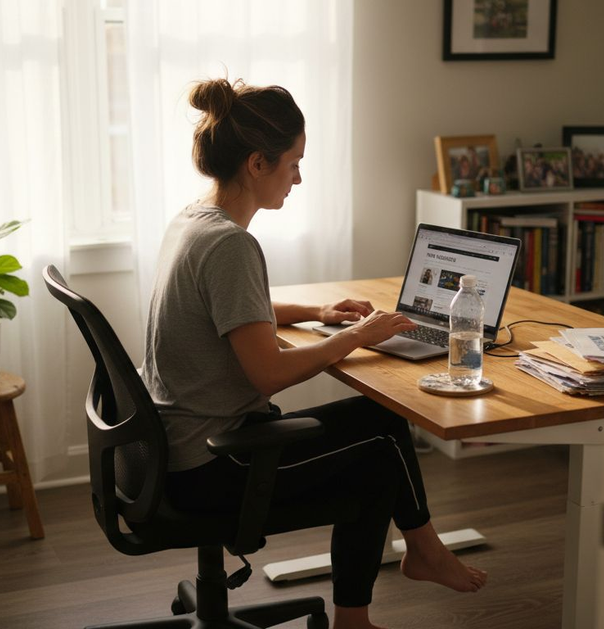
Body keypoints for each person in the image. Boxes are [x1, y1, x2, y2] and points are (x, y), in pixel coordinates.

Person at [140, 77, 487, 629]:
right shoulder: (231, 244)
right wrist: (352, 337)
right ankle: (389, 584)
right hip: (214, 461)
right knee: (380, 449)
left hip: (175, 447)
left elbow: (232, 309)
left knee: (381, 425)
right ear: (258, 164)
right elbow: (268, 372)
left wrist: (317, 316)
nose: (299, 177)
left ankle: (411, 562)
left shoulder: (194, 221)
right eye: (294, 163)